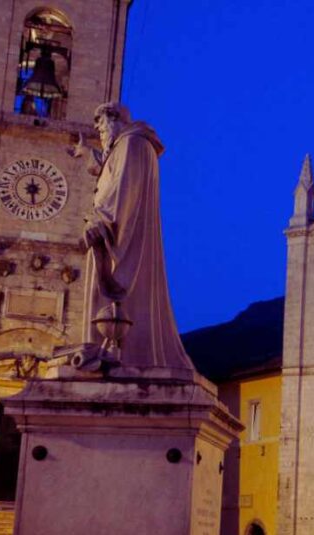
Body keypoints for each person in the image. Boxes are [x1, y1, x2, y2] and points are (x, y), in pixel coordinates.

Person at [69, 102, 192, 371]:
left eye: (101, 125)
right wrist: (89, 154)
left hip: (118, 236)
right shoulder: (128, 145)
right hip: (115, 232)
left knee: (111, 300)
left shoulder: (132, 144)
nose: (99, 131)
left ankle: (109, 349)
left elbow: (123, 190)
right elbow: (113, 170)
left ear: (115, 120)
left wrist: (99, 222)